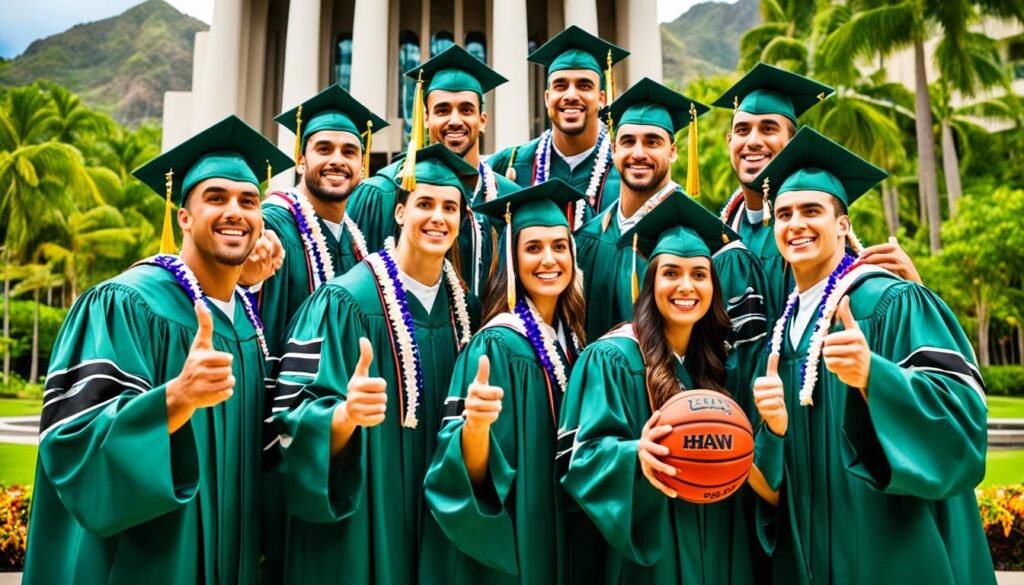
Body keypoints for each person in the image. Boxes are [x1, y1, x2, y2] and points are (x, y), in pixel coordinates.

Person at [23, 116, 292, 584]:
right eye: (216, 198)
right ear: (183, 217)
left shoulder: (247, 324)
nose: (236, 211)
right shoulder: (127, 304)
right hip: (147, 566)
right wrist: (176, 399)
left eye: (249, 201)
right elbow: (73, 449)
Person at [749, 127, 994, 585]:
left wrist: (874, 378)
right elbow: (777, 482)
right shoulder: (782, 334)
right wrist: (773, 431)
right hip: (814, 551)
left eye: (811, 211)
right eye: (783, 214)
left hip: (895, 548)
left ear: (843, 225)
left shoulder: (890, 302)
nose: (795, 224)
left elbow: (965, 417)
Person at [269, 144, 482, 585]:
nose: (438, 218)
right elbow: (290, 420)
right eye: (424, 203)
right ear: (400, 212)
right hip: (364, 520)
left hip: (435, 527)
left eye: (450, 207)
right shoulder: (344, 302)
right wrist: (343, 415)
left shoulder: (467, 311)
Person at [557, 200, 756, 584]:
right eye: (671, 273)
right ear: (650, 284)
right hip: (647, 564)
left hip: (713, 550)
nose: (686, 286)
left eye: (700, 274)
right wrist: (636, 456)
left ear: (714, 288)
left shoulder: (714, 364)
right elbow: (578, 461)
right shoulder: (611, 359)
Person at [420, 179, 587, 583]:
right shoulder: (496, 345)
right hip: (515, 543)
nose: (549, 259)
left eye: (559, 246)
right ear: (512, 259)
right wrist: (474, 427)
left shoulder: (573, 340)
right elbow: (462, 473)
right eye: (533, 248)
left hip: (562, 536)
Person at [576, 77, 771, 376]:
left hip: (683, 413)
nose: (638, 153)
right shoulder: (586, 241)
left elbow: (739, 366)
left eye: (653, 141)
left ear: (674, 151)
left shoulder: (714, 248)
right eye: (628, 142)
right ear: (613, 149)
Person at [713, 62, 920, 314]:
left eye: (768, 128)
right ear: (730, 141)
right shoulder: (718, 236)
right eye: (743, 130)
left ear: (792, 141)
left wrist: (914, 293)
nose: (753, 141)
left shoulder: (821, 228)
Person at [348, 45, 519, 295]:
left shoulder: (508, 197)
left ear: (482, 120)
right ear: (426, 118)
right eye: (442, 110)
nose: (454, 120)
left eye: (466, 110)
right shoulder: (384, 191)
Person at [256, 83, 388, 356]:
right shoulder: (272, 226)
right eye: (324, 149)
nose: (337, 160)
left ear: (362, 168)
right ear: (301, 161)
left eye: (349, 152)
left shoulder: (355, 242)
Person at [488, 25, 628, 220]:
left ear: (602, 99)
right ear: (547, 98)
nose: (571, 95)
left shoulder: (626, 171)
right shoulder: (508, 164)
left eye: (584, 85)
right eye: (560, 86)